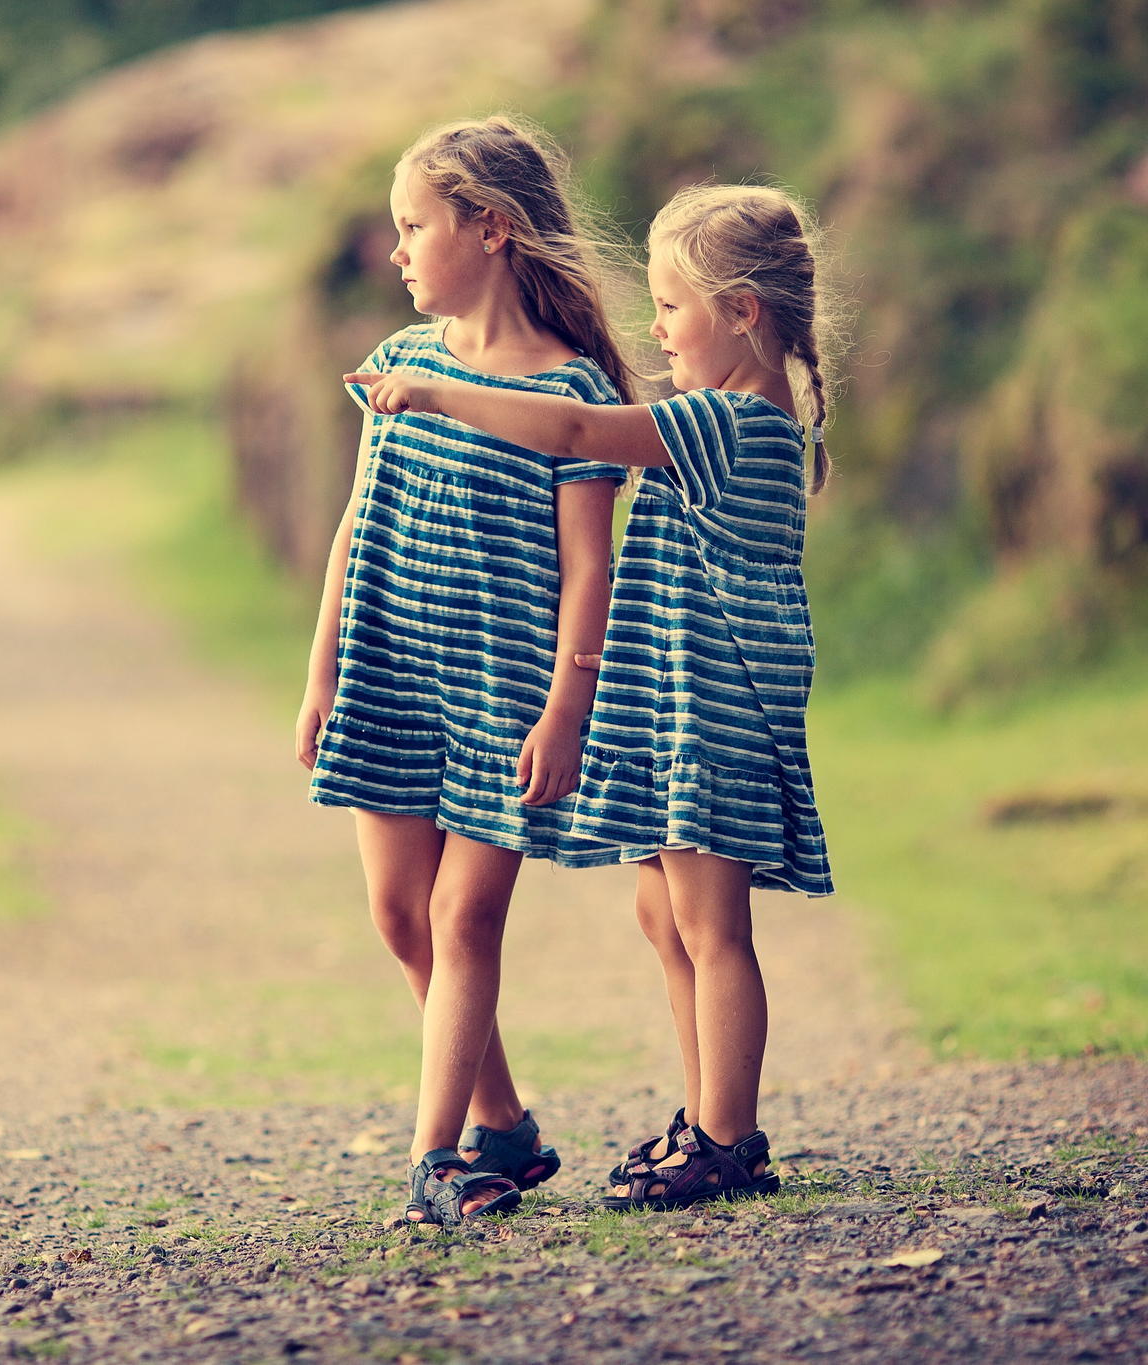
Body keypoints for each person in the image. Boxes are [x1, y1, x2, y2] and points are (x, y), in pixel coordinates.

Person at [344, 181, 840, 1209]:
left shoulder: (729, 421)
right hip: (680, 710)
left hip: (713, 713)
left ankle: (726, 1138)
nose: (653, 331)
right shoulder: (735, 415)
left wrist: (439, 395)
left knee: (711, 930)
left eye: (667, 308)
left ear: (740, 312)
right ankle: (703, 1119)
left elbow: (573, 431)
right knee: (665, 920)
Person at [296, 114, 637, 1226]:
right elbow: (353, 524)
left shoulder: (575, 396)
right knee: (400, 918)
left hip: (505, 694)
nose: (395, 252)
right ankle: (504, 1128)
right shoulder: (394, 368)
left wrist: (566, 708)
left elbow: (588, 573)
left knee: (461, 920)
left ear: (487, 229)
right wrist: (321, 670)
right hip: (390, 671)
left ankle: (435, 1160)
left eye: (412, 226)